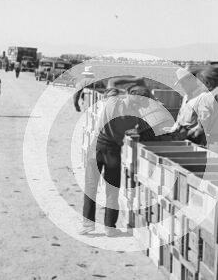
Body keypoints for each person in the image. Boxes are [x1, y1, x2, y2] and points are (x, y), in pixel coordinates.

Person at [81, 85, 155, 236]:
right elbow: (146, 132)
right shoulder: (136, 115)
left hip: (96, 146)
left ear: (129, 94)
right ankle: (110, 227)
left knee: (90, 187)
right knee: (112, 190)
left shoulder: (113, 100)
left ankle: (88, 225)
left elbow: (111, 86)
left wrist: (132, 84)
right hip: (113, 151)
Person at [164, 66, 206, 142]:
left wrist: (187, 134)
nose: (182, 86)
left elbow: (203, 126)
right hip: (182, 136)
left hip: (194, 140)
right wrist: (173, 129)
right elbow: (180, 118)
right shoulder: (186, 97)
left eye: (183, 83)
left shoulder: (203, 97)